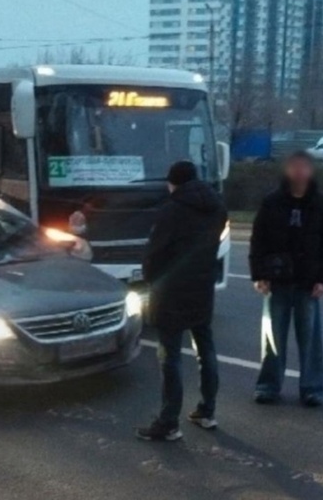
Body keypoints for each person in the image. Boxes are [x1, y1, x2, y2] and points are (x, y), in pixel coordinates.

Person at [137, 161, 228, 441]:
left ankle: (168, 422)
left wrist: (151, 279)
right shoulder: (217, 207)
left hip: (171, 294)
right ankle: (207, 411)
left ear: (173, 183)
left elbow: (155, 255)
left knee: (170, 357)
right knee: (206, 349)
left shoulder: (171, 211)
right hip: (202, 289)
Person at [249, 151, 323, 407]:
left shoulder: (321, 204)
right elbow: (258, 240)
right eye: (294, 167)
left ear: (310, 171)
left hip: (308, 284)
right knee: (272, 339)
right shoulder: (272, 203)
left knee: (310, 340)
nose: (299, 172)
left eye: (304, 167)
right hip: (276, 282)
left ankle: (312, 388)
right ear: (287, 171)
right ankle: (268, 386)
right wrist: (259, 274)